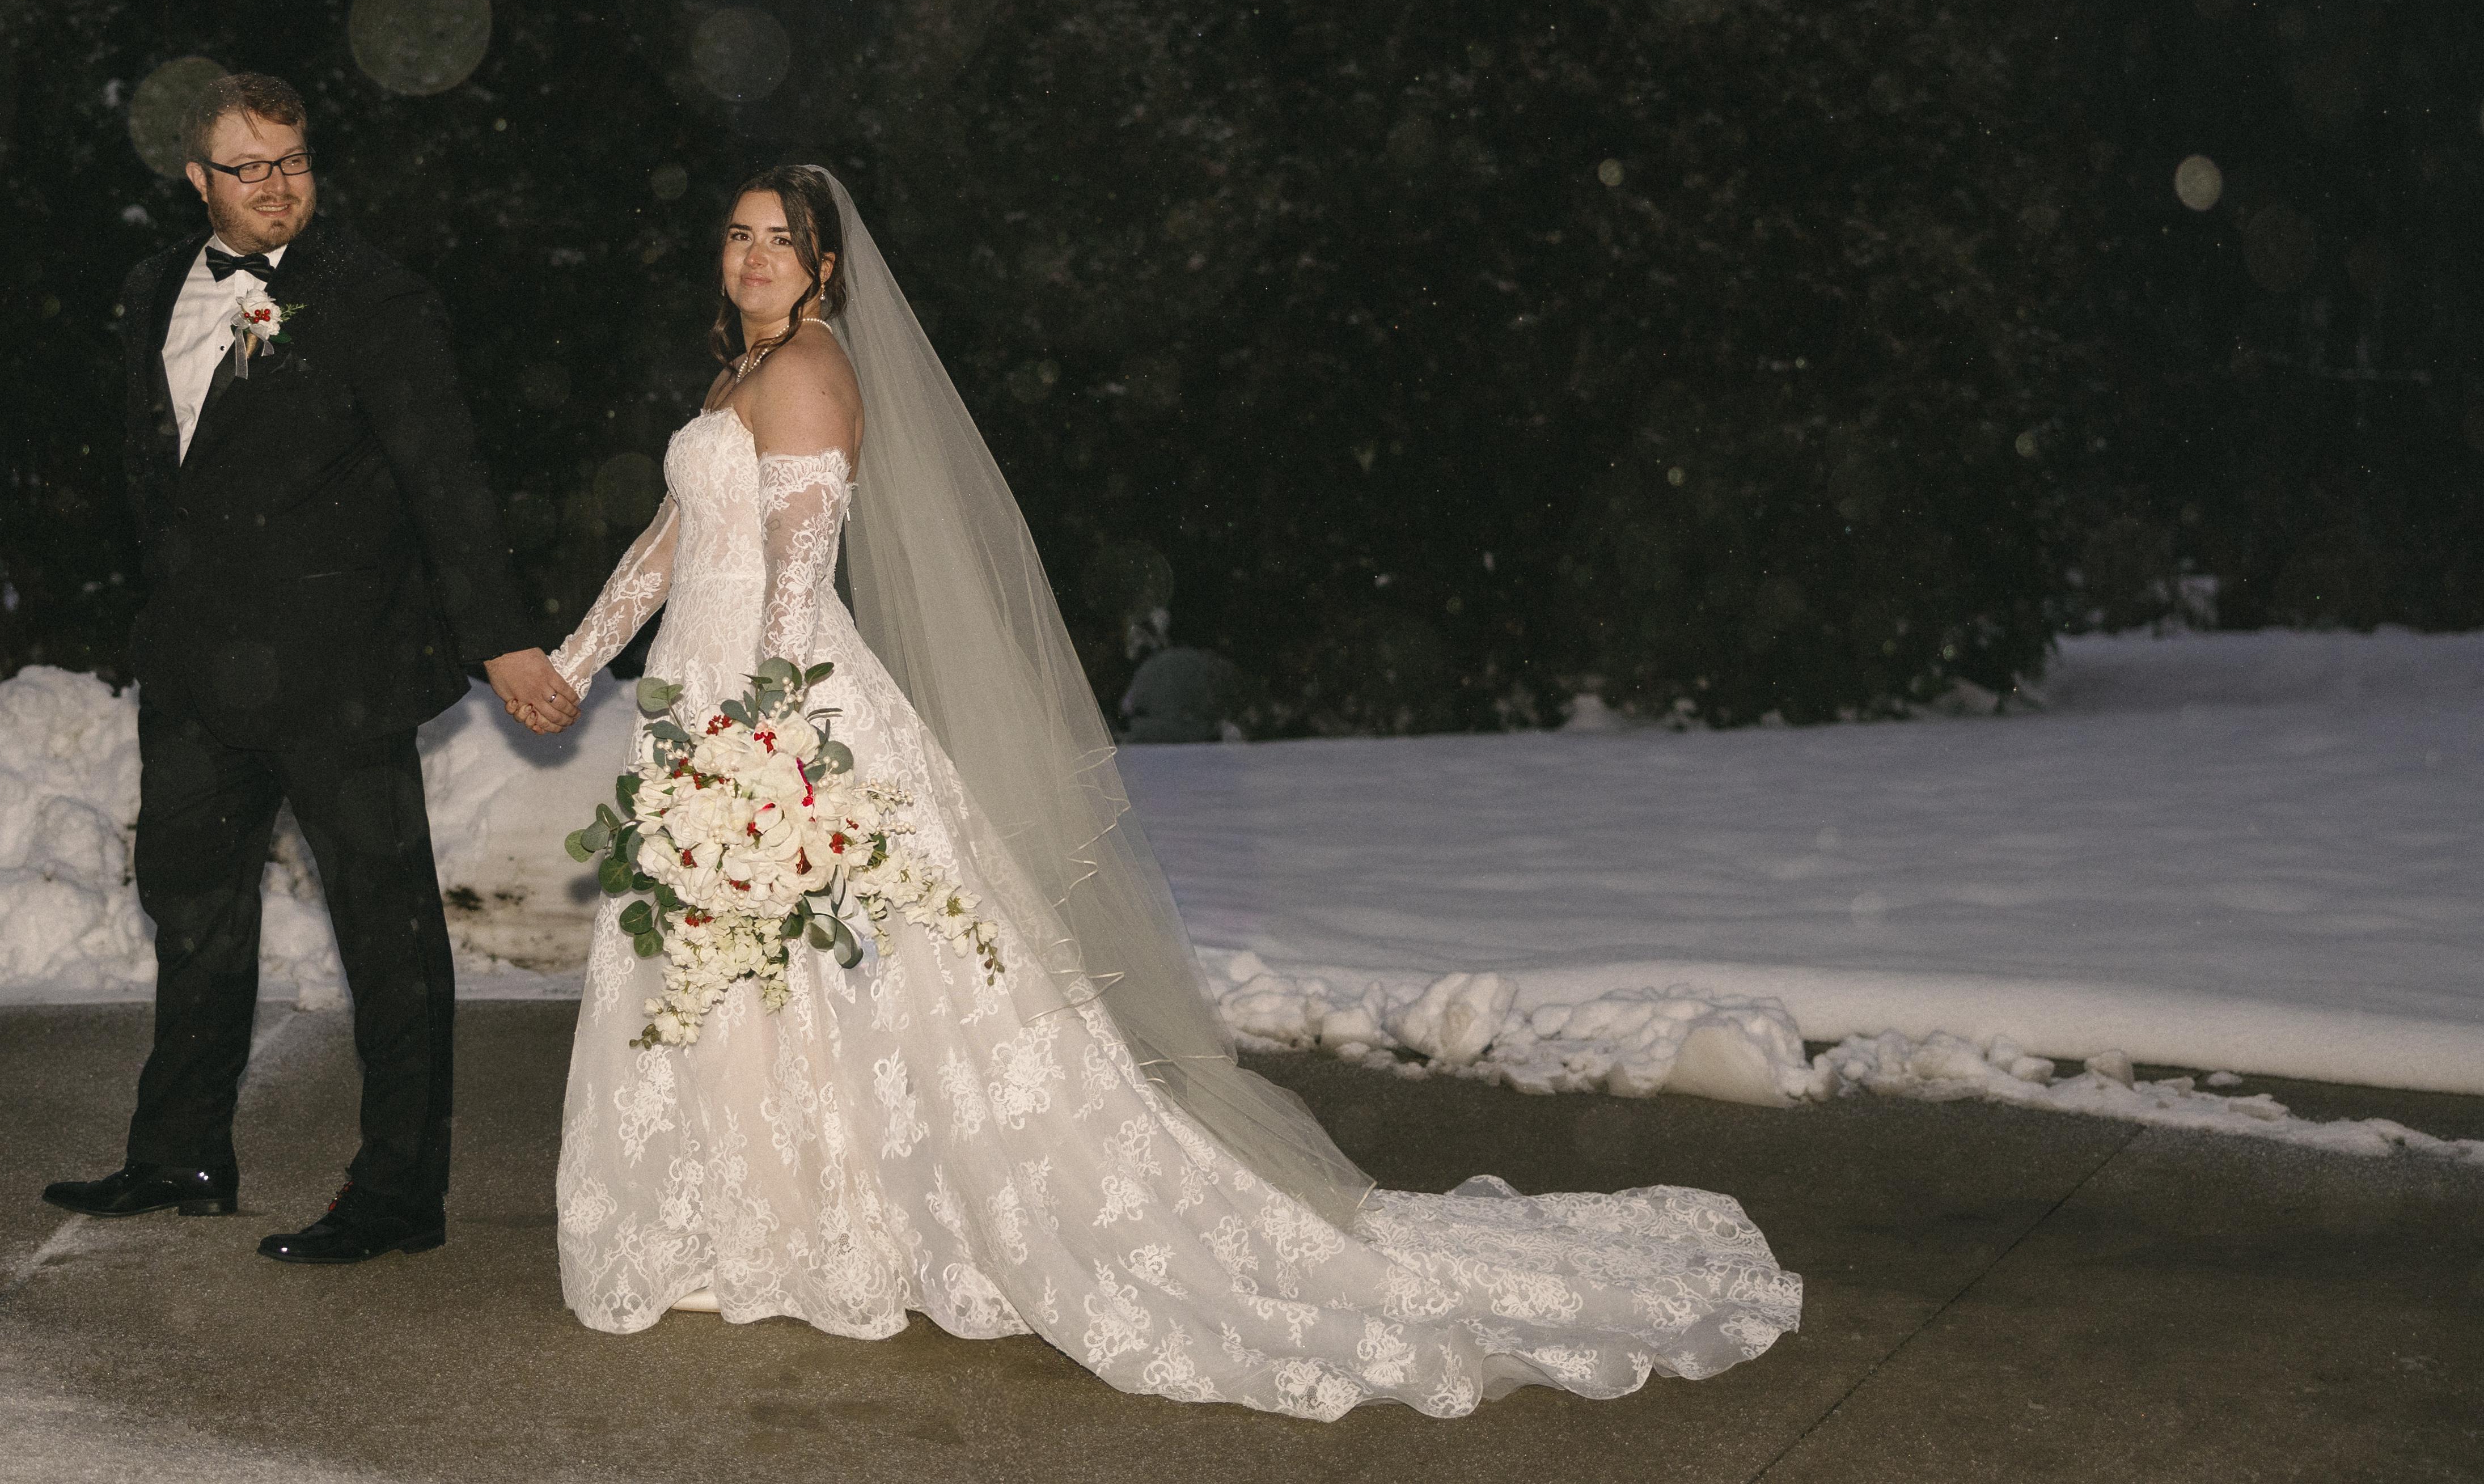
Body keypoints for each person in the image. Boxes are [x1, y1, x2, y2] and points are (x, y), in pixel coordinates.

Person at [539, 164, 1801, 1419]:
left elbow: (796, 575)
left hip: (776, 716)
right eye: (738, 234)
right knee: (755, 978)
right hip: (706, 704)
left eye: (780, 240)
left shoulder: (809, 369)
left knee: (831, 975)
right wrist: (578, 661)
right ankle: (765, 1217)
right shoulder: (740, 373)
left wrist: (761, 741)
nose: (754, 256)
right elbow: (671, 540)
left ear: (825, 267)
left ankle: (804, 1224)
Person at [43, 72, 580, 1265]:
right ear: (197, 178)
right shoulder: (152, 289)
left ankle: (399, 1190)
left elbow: (446, 472)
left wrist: (499, 635)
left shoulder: (374, 296)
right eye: (248, 167)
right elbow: (158, 471)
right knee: (193, 913)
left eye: (292, 160)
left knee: (386, 935)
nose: (277, 185)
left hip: (341, 673)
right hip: (195, 671)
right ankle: (180, 1152)